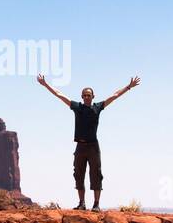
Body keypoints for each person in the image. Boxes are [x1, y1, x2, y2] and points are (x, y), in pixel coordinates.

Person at [36, 74, 140, 211]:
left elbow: (114, 96)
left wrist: (129, 87)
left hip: (93, 147)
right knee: (79, 174)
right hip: (80, 146)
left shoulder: (97, 107)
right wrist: (46, 84)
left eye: (89, 95)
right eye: (84, 95)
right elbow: (59, 94)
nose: (86, 97)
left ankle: (96, 204)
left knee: (96, 174)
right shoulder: (77, 107)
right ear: (81, 97)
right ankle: (82, 203)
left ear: (93, 96)